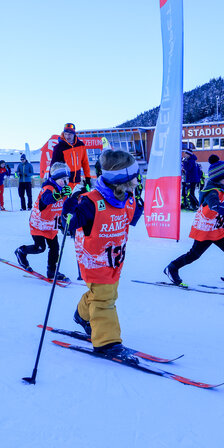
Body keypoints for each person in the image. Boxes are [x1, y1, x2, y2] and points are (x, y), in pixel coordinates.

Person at [64, 149, 143, 363]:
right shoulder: (92, 201)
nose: (138, 181)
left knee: (105, 294)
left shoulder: (126, 198)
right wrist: (70, 207)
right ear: (122, 181)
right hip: (94, 260)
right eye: (134, 178)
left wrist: (137, 203)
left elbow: (132, 216)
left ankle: (81, 315)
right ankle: (107, 342)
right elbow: (70, 224)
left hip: (114, 260)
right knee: (104, 299)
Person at [164, 155, 224, 290]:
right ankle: (172, 268)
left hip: (218, 230)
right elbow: (216, 206)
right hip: (205, 230)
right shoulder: (212, 192)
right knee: (194, 255)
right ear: (219, 178)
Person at [14, 162, 73, 281]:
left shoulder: (65, 190)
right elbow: (47, 200)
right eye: (63, 179)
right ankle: (21, 251)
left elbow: (66, 206)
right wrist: (60, 194)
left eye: (67, 179)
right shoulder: (48, 188)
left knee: (55, 248)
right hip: (39, 223)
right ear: (55, 178)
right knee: (40, 248)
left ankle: (52, 271)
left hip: (51, 224)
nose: (66, 182)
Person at [50, 123, 92, 190]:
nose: (67, 136)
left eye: (70, 134)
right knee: (66, 200)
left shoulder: (81, 145)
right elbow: (53, 166)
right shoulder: (59, 147)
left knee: (77, 199)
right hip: (65, 182)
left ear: (74, 134)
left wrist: (88, 178)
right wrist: (51, 181)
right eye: (66, 134)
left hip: (77, 181)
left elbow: (85, 162)